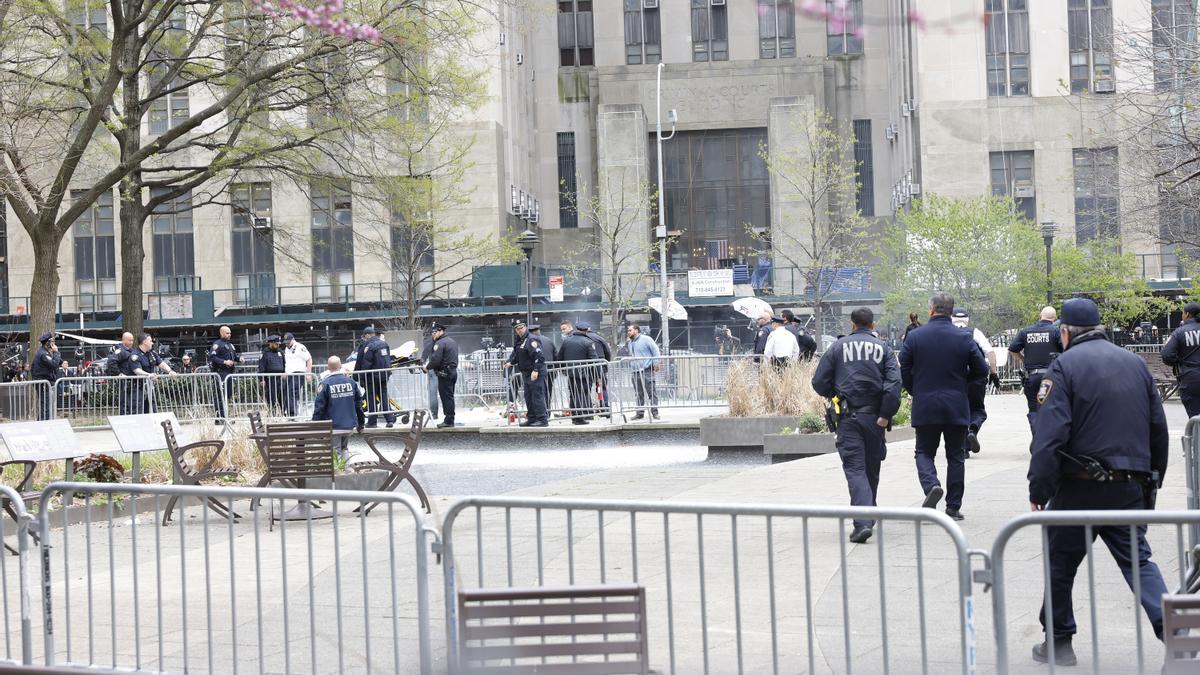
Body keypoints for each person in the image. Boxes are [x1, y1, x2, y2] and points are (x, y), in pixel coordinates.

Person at [1027, 297, 1169, 666]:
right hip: (1128, 485)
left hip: (1079, 486)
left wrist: (1038, 487)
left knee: (1060, 562)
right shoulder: (1135, 363)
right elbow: (1159, 429)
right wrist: (1152, 484)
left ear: (1065, 332)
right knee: (1140, 563)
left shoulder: (1063, 367)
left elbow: (1049, 435)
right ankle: (1175, 630)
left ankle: (1059, 642)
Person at [811, 307, 902, 544]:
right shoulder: (884, 349)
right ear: (872, 325)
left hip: (848, 418)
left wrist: (836, 393)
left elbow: (819, 382)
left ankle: (862, 522)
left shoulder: (837, 348)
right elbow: (894, 385)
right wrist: (884, 415)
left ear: (852, 325)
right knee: (871, 468)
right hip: (875, 419)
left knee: (855, 469)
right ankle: (868, 515)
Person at [898, 293, 989, 521]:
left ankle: (931, 485)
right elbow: (981, 370)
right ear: (951, 311)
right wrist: (962, 384)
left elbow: (904, 370)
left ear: (930, 310)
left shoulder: (915, 337)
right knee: (956, 456)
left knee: (923, 452)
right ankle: (953, 507)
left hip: (925, 403)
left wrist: (915, 389)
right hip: (956, 404)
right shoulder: (964, 338)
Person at [950, 308, 998, 455]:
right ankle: (972, 429)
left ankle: (963, 448)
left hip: (953, 379)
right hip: (975, 378)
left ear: (951, 319)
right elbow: (990, 352)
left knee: (957, 412)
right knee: (977, 410)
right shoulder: (974, 332)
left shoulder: (946, 333)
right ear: (967, 320)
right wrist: (994, 373)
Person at [1009, 306, 1062, 430]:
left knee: (1033, 408)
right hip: (1051, 377)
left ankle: (1037, 435)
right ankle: (1046, 439)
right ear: (1054, 318)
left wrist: (1024, 359)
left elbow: (1012, 349)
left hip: (1031, 377)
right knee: (1052, 408)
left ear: (1040, 316)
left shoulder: (1026, 332)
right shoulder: (1056, 332)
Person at [312, 356, 365, 460]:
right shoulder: (351, 383)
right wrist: (361, 423)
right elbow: (359, 405)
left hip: (334, 425)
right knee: (344, 448)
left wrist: (316, 425)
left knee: (335, 449)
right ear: (340, 365)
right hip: (349, 424)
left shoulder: (325, 384)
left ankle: (339, 473)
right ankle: (346, 470)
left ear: (328, 367)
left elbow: (319, 407)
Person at [504, 321, 548, 427]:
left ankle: (542, 419)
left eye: (521, 327)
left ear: (525, 327)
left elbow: (539, 356)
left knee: (537, 396)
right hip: (526, 373)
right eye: (517, 329)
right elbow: (518, 356)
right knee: (528, 397)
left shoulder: (531, 339)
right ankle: (532, 418)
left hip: (534, 372)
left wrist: (536, 370)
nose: (520, 330)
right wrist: (511, 363)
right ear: (515, 330)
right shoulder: (520, 341)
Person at [1161, 301, 1200, 418]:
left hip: (1190, 379)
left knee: (1195, 420)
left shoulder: (1179, 332)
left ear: (1187, 314)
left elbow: (1167, 355)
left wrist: (1179, 361)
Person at [558, 320, 598, 424]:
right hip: (584, 374)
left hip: (571, 374)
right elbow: (594, 360)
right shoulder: (588, 342)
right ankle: (581, 417)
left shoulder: (567, 341)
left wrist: (564, 370)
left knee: (573, 394)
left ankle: (575, 417)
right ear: (587, 330)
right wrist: (597, 374)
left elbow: (560, 357)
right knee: (583, 394)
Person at [356, 326, 396, 428]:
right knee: (384, 398)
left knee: (371, 399)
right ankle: (390, 420)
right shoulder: (384, 344)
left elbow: (364, 363)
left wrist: (360, 377)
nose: (364, 339)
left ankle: (372, 422)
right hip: (383, 376)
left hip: (372, 378)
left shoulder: (368, 345)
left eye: (365, 336)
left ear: (368, 335)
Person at [126, 333, 175, 415]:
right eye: (150, 341)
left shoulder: (152, 353)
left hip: (148, 387)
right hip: (137, 388)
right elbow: (137, 370)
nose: (152, 343)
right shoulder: (135, 355)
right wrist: (149, 375)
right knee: (138, 412)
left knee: (153, 410)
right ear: (144, 342)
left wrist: (170, 371)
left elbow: (161, 364)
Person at [423, 322, 459, 428]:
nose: (433, 334)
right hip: (452, 372)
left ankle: (449, 420)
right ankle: (449, 418)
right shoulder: (451, 341)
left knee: (446, 397)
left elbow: (435, 359)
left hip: (445, 373)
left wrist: (427, 367)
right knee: (449, 396)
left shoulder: (440, 343)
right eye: (432, 332)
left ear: (440, 331)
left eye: (434, 332)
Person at [626, 323, 662, 420]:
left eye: (630, 330)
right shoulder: (630, 343)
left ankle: (655, 412)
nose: (628, 332)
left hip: (646, 370)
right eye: (628, 330)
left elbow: (655, 351)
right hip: (635, 371)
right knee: (638, 393)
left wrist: (656, 363)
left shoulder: (646, 339)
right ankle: (639, 413)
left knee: (651, 392)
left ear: (636, 330)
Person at [208, 326, 243, 421]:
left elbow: (234, 357)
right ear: (222, 333)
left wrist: (239, 359)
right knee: (220, 395)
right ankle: (220, 418)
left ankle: (225, 416)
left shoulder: (230, 345)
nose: (229, 335)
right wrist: (224, 362)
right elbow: (212, 357)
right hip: (220, 372)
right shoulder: (217, 344)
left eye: (230, 333)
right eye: (227, 333)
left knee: (227, 395)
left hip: (229, 373)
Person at [577, 321, 612, 416]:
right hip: (600, 365)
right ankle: (604, 408)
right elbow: (608, 351)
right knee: (601, 387)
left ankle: (588, 409)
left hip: (587, 366)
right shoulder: (599, 338)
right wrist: (606, 363)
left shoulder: (581, 339)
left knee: (586, 388)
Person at [30, 332, 63, 421]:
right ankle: (42, 424)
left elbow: (60, 362)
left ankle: (40, 423)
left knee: (45, 404)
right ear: (47, 342)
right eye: (51, 341)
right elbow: (54, 364)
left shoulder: (46, 352)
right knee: (45, 405)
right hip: (42, 383)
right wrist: (56, 352)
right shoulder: (43, 354)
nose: (53, 343)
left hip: (43, 382)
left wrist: (55, 353)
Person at [282, 332, 312, 418]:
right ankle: (290, 413)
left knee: (292, 394)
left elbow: (309, 360)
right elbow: (288, 362)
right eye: (285, 342)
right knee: (287, 394)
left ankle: (293, 415)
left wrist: (308, 374)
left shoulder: (300, 347)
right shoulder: (286, 349)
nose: (287, 344)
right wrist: (285, 372)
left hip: (298, 374)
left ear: (293, 340)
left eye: (288, 342)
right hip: (289, 375)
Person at [257, 335, 287, 414]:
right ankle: (272, 414)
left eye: (278, 344)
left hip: (280, 379)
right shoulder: (265, 353)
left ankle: (283, 413)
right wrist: (261, 379)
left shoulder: (280, 352)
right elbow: (261, 366)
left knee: (282, 397)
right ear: (271, 343)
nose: (278, 345)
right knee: (271, 398)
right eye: (276, 344)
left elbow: (284, 364)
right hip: (270, 379)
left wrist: (284, 373)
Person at [420, 337, 440, 421]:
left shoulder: (429, 344)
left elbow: (422, 359)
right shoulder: (442, 343)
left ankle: (434, 413)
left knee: (433, 393)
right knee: (435, 393)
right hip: (437, 370)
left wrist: (425, 368)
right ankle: (435, 413)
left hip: (432, 370)